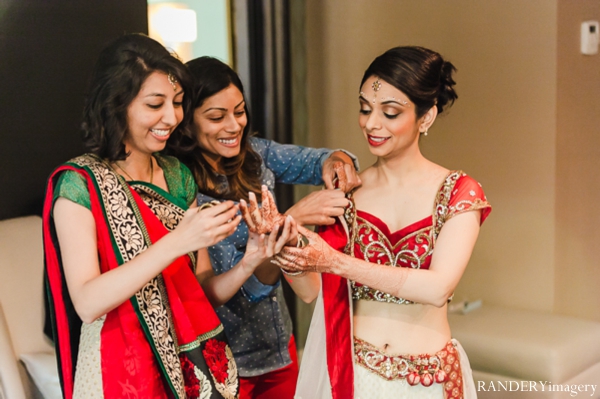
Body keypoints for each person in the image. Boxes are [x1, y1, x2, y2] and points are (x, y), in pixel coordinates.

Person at [244, 46, 492, 399]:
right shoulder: (346, 192)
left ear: (426, 117)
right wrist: (288, 243)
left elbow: (438, 288)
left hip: (428, 380)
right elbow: (315, 292)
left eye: (390, 112)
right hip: (355, 377)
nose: (371, 124)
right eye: (365, 109)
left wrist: (336, 262)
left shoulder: (457, 192)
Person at [42, 34, 257, 399]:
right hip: (118, 370)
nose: (171, 118)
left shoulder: (176, 176)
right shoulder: (80, 186)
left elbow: (200, 292)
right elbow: (87, 301)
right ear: (116, 104)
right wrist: (178, 242)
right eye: (155, 105)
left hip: (190, 364)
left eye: (176, 103)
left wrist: (251, 261)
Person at [166, 56, 361, 399]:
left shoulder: (257, 154)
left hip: (276, 348)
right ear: (186, 122)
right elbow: (230, 289)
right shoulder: (178, 188)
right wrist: (294, 219)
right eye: (216, 117)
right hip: (220, 358)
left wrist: (337, 162)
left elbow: (321, 159)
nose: (233, 126)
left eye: (239, 112)